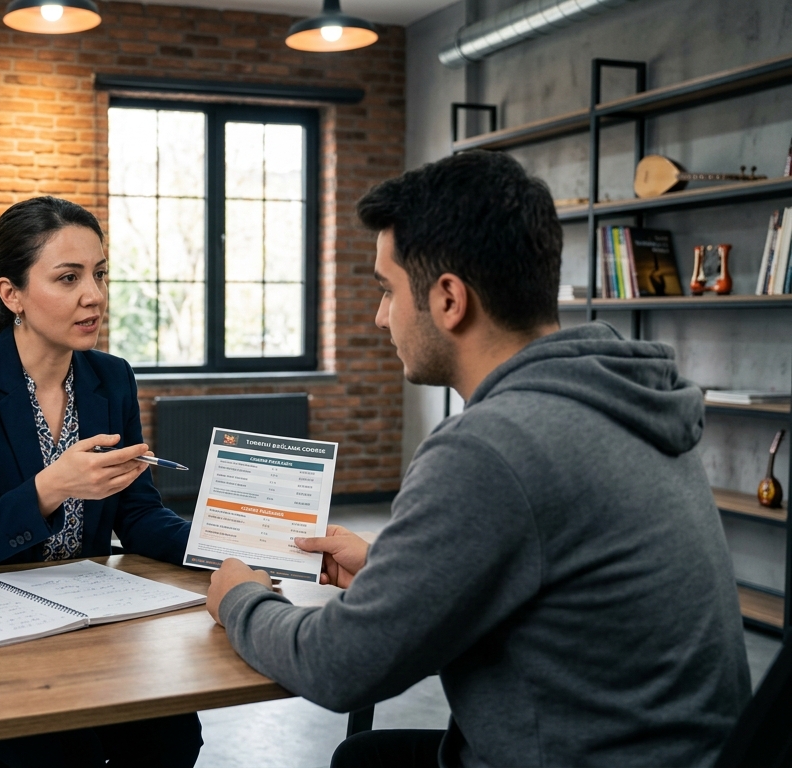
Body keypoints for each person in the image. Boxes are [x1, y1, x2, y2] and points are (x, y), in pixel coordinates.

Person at [205, 151, 751, 768]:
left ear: (448, 300)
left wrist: (240, 598)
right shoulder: (622, 400)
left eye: (387, 290)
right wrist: (391, 566)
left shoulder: (492, 447)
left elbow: (338, 667)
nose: (380, 317)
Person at [0, 196, 202, 768]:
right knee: (57, 753)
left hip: (82, 618)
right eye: (68, 278)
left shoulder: (111, 377)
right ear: (11, 294)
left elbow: (138, 514)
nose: (93, 295)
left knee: (171, 736)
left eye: (98, 275)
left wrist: (221, 545)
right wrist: (53, 486)